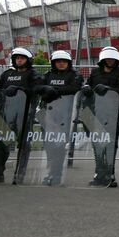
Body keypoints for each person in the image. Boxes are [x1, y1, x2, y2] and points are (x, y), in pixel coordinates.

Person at [0, 47, 43, 184]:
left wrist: (20, 89)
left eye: (22, 58)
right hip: (5, 112)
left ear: (28, 60)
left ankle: (19, 174)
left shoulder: (33, 74)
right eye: (17, 58)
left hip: (24, 113)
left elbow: (37, 89)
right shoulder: (7, 74)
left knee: (23, 143)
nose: (19, 60)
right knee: (0, 143)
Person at [34, 50, 84, 186]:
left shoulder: (74, 75)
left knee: (60, 146)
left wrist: (53, 90)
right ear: (53, 63)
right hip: (48, 115)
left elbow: (74, 88)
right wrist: (45, 88)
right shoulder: (48, 75)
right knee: (49, 145)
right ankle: (51, 173)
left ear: (68, 63)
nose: (61, 64)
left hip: (65, 116)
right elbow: (37, 86)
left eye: (64, 61)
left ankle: (56, 175)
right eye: (58, 61)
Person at [81, 46, 119, 187]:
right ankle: (99, 173)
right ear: (102, 60)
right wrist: (86, 88)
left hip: (111, 113)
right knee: (97, 144)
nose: (110, 61)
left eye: (113, 59)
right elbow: (87, 84)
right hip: (95, 112)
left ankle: (110, 174)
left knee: (110, 144)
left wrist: (109, 89)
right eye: (108, 59)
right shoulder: (95, 72)